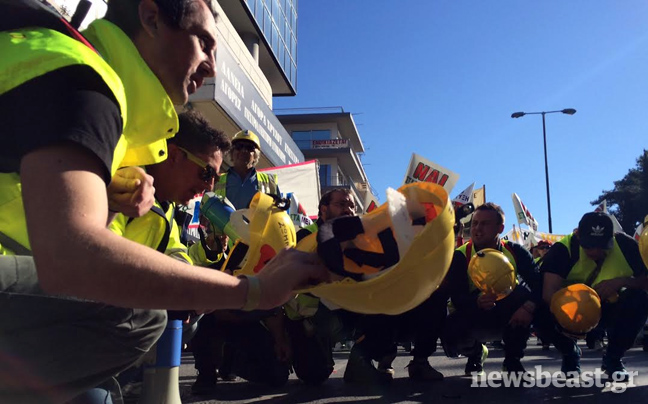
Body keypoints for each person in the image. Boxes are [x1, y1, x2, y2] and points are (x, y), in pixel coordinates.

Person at [0, 1, 328, 402]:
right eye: (204, 43)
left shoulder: (102, 100)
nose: (212, 66)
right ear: (151, 17)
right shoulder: (83, 80)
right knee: (138, 315)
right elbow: (73, 259)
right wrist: (253, 290)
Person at [536, 212, 648, 381]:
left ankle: (614, 358)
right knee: (538, 311)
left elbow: (645, 280)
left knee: (639, 299)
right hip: (570, 310)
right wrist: (575, 309)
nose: (595, 251)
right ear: (577, 235)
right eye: (589, 246)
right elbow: (548, 294)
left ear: (612, 237)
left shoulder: (626, 245)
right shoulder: (562, 250)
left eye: (602, 246)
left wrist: (622, 281)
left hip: (609, 307)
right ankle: (569, 353)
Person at [442, 202, 541, 375]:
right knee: (449, 331)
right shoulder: (460, 255)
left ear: (500, 228)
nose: (477, 229)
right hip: (475, 314)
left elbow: (539, 284)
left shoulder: (516, 252)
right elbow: (457, 296)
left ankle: (512, 360)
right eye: (475, 223)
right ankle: (476, 353)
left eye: (485, 224)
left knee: (524, 297)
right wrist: (476, 302)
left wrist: (528, 307)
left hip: (508, 312)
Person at [285, 188, 359, 385]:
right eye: (341, 204)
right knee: (314, 375)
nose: (348, 210)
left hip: (345, 308)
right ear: (324, 210)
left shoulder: (358, 239)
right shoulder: (305, 236)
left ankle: (361, 365)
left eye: (351, 206)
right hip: (310, 315)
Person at [214, 130, 279, 209]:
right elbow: (204, 214)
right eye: (239, 146)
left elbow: (278, 214)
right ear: (231, 152)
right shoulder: (216, 181)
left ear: (255, 156)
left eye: (249, 148)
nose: (244, 151)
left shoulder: (270, 182)